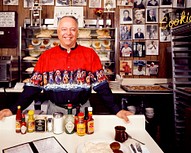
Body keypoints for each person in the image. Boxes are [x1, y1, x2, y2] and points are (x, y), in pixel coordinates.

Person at [0, 16, 133, 122]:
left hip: (83, 112)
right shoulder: (46, 56)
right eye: (64, 29)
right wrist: (12, 110)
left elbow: (102, 87)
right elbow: (31, 89)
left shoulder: (90, 54)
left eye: (72, 29)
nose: (68, 33)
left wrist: (117, 110)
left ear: (77, 32)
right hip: (54, 113)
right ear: (58, 32)